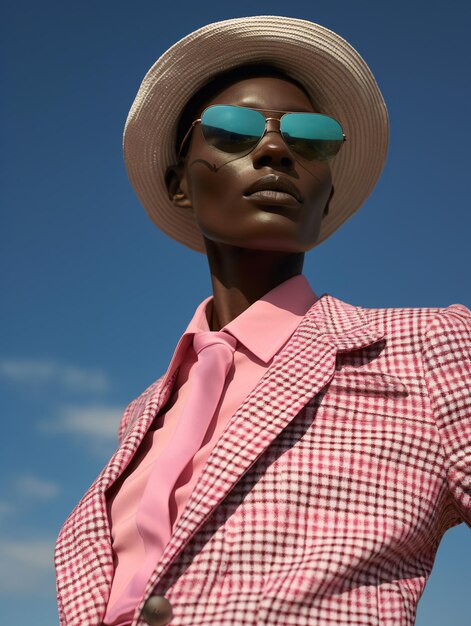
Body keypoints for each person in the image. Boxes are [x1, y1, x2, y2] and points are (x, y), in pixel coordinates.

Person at [54, 15, 471, 626]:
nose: (275, 149)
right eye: (233, 130)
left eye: (310, 138)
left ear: (325, 195)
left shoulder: (429, 350)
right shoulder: (143, 418)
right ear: (180, 185)